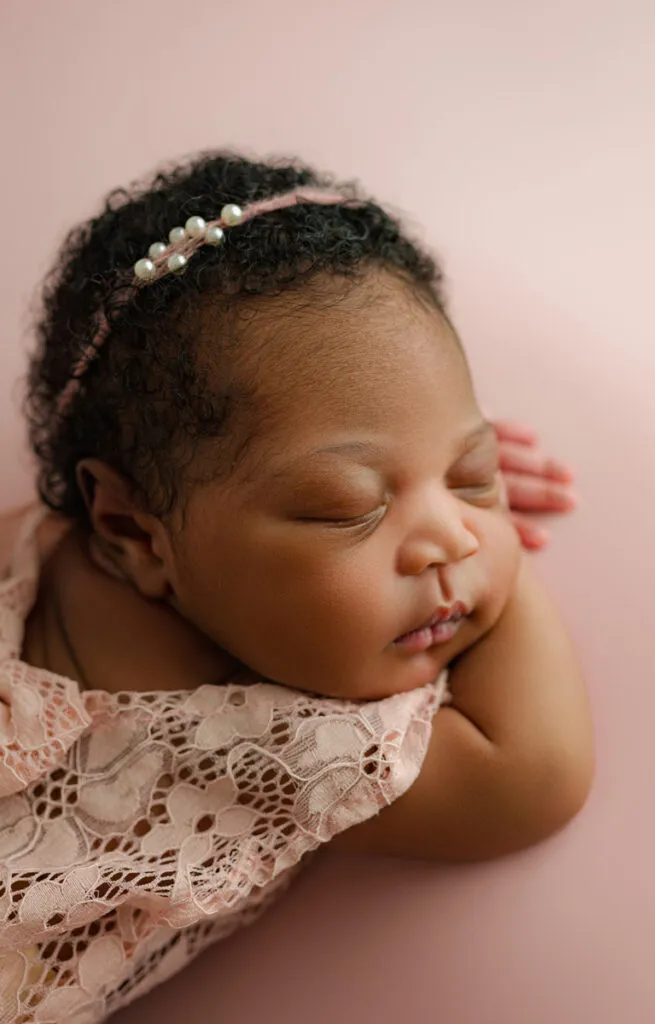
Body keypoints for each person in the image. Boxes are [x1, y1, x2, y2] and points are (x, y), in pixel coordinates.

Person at [0, 152, 593, 1023]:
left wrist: (410, 457)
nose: (454, 537)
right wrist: (493, 535)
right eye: (348, 507)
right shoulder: (245, 734)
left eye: (470, 475)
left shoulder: (41, 542)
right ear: (130, 529)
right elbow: (529, 776)